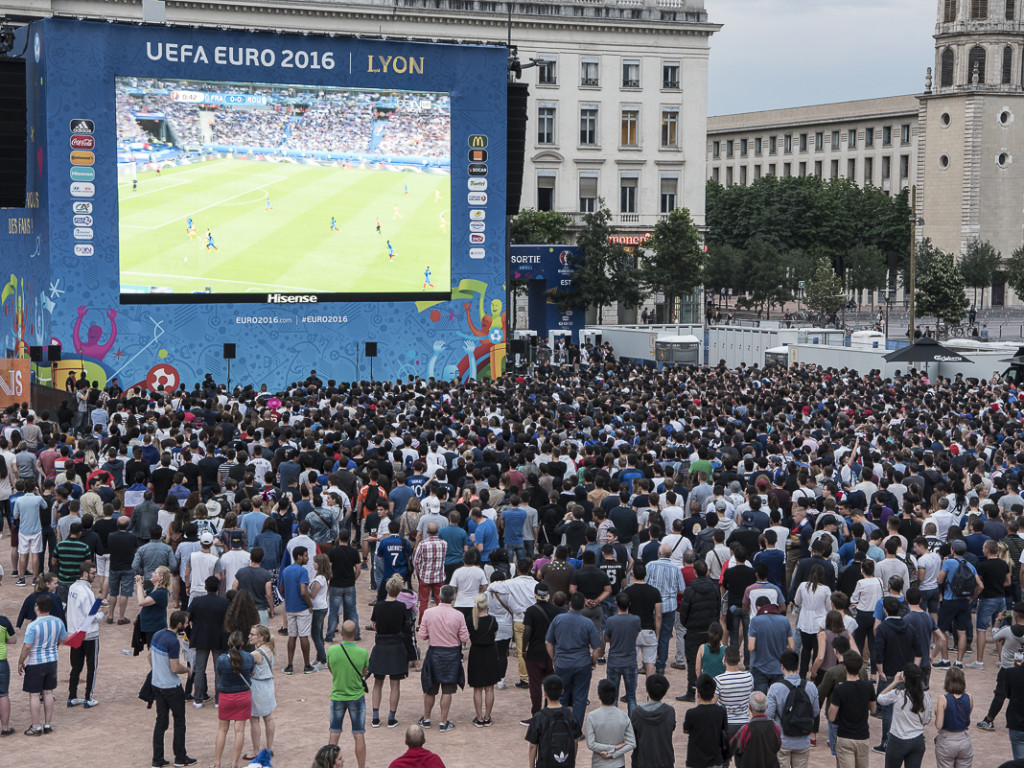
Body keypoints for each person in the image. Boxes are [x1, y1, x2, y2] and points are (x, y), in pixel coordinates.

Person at [417, 584, 469, 732]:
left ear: (439, 596)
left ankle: (426, 719)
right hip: (452, 655)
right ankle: (443, 722)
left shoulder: (428, 613)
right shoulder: (458, 615)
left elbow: (422, 635)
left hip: (434, 653)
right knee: (447, 690)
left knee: (430, 689)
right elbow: (464, 637)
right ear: (453, 597)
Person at [546, 591, 602, 727]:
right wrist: (593, 662)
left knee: (562, 696)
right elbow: (597, 648)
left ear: (569, 604)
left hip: (562, 663)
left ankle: (561, 726)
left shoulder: (558, 619)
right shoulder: (587, 623)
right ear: (583, 606)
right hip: (582, 664)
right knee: (580, 698)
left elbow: (548, 642)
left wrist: (554, 658)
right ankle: (576, 729)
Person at [149, 610, 197, 768]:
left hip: (157, 684)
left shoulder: (157, 634)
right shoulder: (173, 642)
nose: (187, 625)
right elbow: (175, 668)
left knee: (160, 723)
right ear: (179, 624)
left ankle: (157, 759)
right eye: (185, 623)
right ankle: (180, 757)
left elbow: (149, 656)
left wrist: (158, 670)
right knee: (179, 722)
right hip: (171, 687)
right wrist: (188, 670)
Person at [369, 574, 414, 729]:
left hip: (381, 645)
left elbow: (373, 623)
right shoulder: (402, 607)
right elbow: (406, 629)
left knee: (378, 682)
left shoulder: (378, 605)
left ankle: (375, 717)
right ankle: (391, 717)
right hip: (396, 646)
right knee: (395, 685)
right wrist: (412, 654)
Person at [17, 593, 66, 736]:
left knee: (34, 695)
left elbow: (27, 647)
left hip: (36, 663)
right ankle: (48, 724)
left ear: (37, 607)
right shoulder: (58, 622)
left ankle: (36, 726)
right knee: (48, 692)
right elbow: (63, 639)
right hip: (52, 661)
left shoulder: (33, 626)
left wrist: (20, 661)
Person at [765, 650, 819, 767]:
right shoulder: (811, 687)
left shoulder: (775, 688)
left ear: (782, 666)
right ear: (798, 665)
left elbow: (768, 715)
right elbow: (815, 712)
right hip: (803, 740)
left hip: (782, 740)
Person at [327, 620, 369, 768]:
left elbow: (331, 669)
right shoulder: (363, 653)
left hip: (337, 695)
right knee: (359, 734)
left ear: (342, 633)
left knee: (334, 733)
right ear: (356, 632)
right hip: (356, 697)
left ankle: (330, 765)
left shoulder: (331, 650)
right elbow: (364, 673)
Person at [213, 631, 254, 768]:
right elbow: (251, 672)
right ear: (243, 644)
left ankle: (217, 763)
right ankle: (234, 763)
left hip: (226, 697)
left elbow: (219, 673)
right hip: (243, 696)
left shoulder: (222, 659)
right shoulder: (249, 657)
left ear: (228, 643)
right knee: (240, 731)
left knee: (222, 730)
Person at [828, 651, 876, 768]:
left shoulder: (840, 689)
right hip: (862, 736)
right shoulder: (868, 687)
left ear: (845, 667)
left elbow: (831, 716)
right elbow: (873, 709)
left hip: (845, 736)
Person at [877, 663, 931, 768]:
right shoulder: (926, 697)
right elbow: (927, 720)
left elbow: (880, 698)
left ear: (905, 678)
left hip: (897, 741)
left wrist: (895, 681)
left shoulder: (898, 694)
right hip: (917, 740)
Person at [521, 583, 561, 725]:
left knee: (535, 685)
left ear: (535, 594)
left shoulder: (531, 611)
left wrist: (524, 649)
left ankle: (536, 715)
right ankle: (549, 712)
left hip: (534, 652)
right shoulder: (557, 611)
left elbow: (526, 632)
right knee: (550, 684)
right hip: (552, 652)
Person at [187, 575, 230, 708]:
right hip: (219, 638)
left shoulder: (197, 601)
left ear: (205, 587)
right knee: (219, 671)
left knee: (199, 670)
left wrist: (191, 633)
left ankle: (198, 699)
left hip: (201, 638)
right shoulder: (225, 602)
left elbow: (187, 618)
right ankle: (219, 700)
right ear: (218, 588)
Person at [66, 560, 103, 708]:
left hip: (75, 633)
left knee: (76, 667)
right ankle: (88, 698)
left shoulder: (72, 588)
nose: (95, 576)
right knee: (91, 667)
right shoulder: (87, 592)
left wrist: (99, 604)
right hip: (89, 634)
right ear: (85, 573)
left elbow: (79, 609)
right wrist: (102, 614)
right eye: (93, 573)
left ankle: (72, 696)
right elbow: (91, 616)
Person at [525, 675, 583, 768]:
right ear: (562, 691)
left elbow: (533, 745)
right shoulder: (570, 714)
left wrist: (531, 766)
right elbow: (575, 742)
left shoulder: (539, 716)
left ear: (545, 693)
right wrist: (571, 761)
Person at [603, 592, 641, 714]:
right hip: (630, 660)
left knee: (612, 698)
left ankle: (614, 726)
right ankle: (632, 727)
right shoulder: (635, 619)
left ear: (616, 604)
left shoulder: (611, 620)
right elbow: (635, 636)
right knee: (631, 697)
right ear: (629, 604)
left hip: (614, 661)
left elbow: (607, 638)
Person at [585, 678, 635, 768]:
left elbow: (591, 744)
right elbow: (632, 743)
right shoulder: (623, 716)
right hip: (618, 763)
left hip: (599, 764)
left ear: (599, 696)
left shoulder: (592, 716)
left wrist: (610, 749)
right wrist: (614, 751)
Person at [683, 673, 729, 768]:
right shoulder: (720, 711)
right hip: (715, 758)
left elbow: (686, 730)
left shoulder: (692, 713)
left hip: (695, 760)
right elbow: (724, 730)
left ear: (698, 693)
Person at [629, 673, 676, 768]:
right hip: (665, 761)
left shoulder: (636, 713)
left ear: (647, 689)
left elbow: (632, 736)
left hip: (642, 762)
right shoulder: (669, 711)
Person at [467, 591, 499, 727]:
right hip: (490, 652)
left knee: (477, 689)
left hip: (476, 653)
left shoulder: (470, 620)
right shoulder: (492, 620)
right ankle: (487, 717)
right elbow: (495, 635)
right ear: (486, 605)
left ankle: (479, 717)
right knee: (490, 688)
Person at [748, 597, 793, 692]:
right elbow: (791, 646)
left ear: (758, 607)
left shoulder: (755, 621)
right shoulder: (785, 620)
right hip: (779, 668)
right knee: (778, 701)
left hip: (760, 668)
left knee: (759, 702)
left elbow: (751, 647)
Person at [281, 546, 314, 675]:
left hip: (290, 608)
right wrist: (310, 605)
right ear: (299, 557)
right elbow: (303, 591)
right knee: (304, 636)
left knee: (292, 636)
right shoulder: (302, 571)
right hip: (302, 608)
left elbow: (282, 589)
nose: (307, 558)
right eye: (306, 555)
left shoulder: (286, 570)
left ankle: (290, 666)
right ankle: (307, 666)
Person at [729, 690, 782, 768]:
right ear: (767, 706)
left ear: (750, 707)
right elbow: (778, 745)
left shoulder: (746, 729)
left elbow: (733, 746)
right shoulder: (775, 727)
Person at [934, 666, 973, 768]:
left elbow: (939, 725)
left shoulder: (943, 699)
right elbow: (965, 716)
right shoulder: (969, 697)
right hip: (964, 740)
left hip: (947, 740)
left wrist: (937, 713)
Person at [247, 624, 276, 760]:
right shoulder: (270, 649)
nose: (250, 636)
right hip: (269, 685)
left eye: (253, 634)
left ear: (261, 637)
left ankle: (256, 751)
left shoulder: (255, 654)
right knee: (268, 717)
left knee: (254, 720)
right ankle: (269, 749)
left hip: (258, 687)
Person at [136, 565, 172, 647]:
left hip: (155, 627)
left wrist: (139, 585)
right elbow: (141, 595)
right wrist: (140, 584)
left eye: (155, 573)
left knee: (153, 654)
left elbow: (141, 602)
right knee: (151, 653)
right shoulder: (153, 589)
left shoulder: (160, 592)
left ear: (161, 578)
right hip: (150, 626)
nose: (152, 574)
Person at [311, 553, 331, 670]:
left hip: (318, 608)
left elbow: (312, 594)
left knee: (315, 635)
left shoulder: (319, 578)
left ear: (319, 565)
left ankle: (323, 659)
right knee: (318, 634)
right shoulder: (324, 577)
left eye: (315, 563)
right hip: (322, 607)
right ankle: (319, 657)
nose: (313, 564)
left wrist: (303, 587)